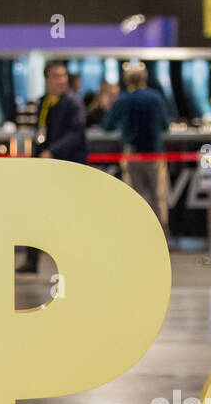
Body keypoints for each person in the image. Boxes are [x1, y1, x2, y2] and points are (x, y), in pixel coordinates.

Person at [17, 61, 87, 273]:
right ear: (47, 79)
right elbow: (40, 133)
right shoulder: (43, 102)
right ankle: (32, 260)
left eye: (64, 76)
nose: (62, 80)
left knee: (66, 217)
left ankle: (73, 261)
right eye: (56, 76)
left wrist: (52, 151)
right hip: (45, 168)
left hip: (68, 168)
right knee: (34, 213)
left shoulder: (73, 104)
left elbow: (76, 134)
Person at [104, 64, 170, 234]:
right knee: (159, 197)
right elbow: (165, 125)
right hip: (154, 153)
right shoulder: (156, 97)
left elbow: (107, 125)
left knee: (134, 198)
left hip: (132, 154)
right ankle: (161, 236)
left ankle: (137, 235)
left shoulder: (123, 100)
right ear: (145, 79)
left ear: (126, 80)